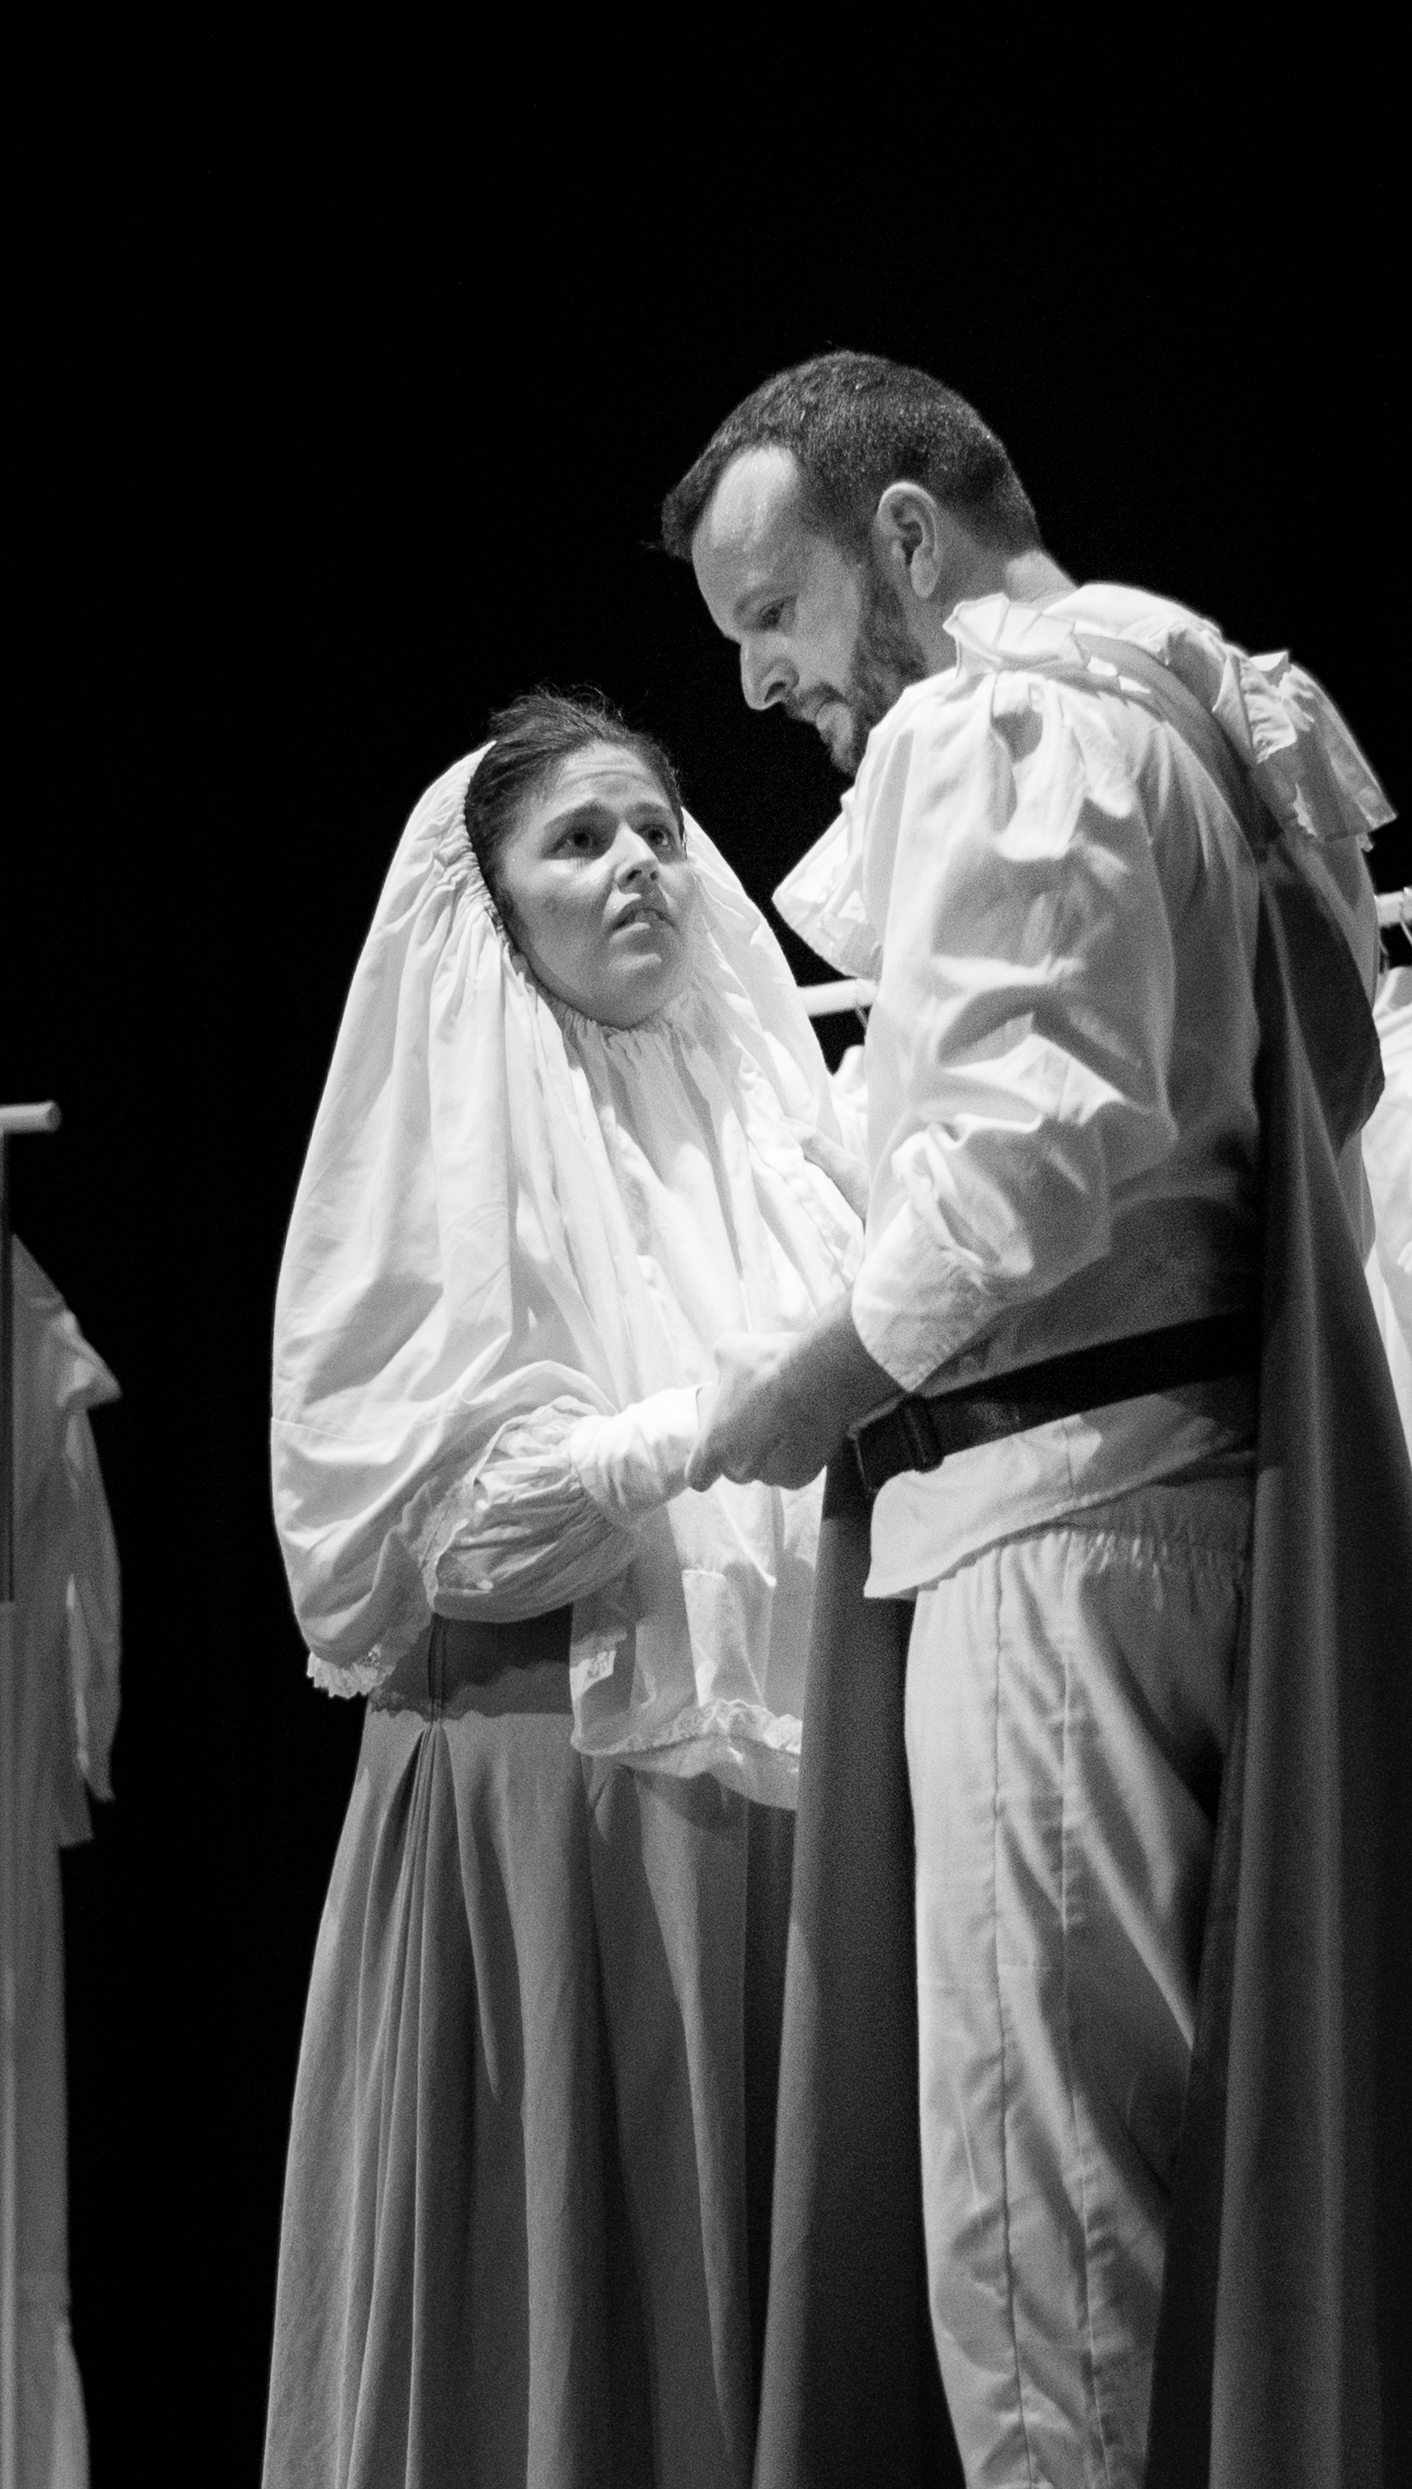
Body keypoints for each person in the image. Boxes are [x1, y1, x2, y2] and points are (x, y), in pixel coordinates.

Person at [663, 353, 1412, 2488]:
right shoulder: (1211, 713)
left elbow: (1013, 1172)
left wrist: (793, 1391)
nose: (765, 681)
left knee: (1042, 2252)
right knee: (1164, 2208)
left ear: (905, 537)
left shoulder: (1011, 723)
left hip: (1061, 1529)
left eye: (775, 613)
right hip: (1170, 1499)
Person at [261, 691, 863, 2489]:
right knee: (573, 2317)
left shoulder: (765, 1115)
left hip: (779, 1787)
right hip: (557, 1790)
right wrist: (703, 1427)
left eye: (660, 829)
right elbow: (446, 1528)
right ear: (493, 903)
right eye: (581, 839)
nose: (639, 865)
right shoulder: (452, 1150)